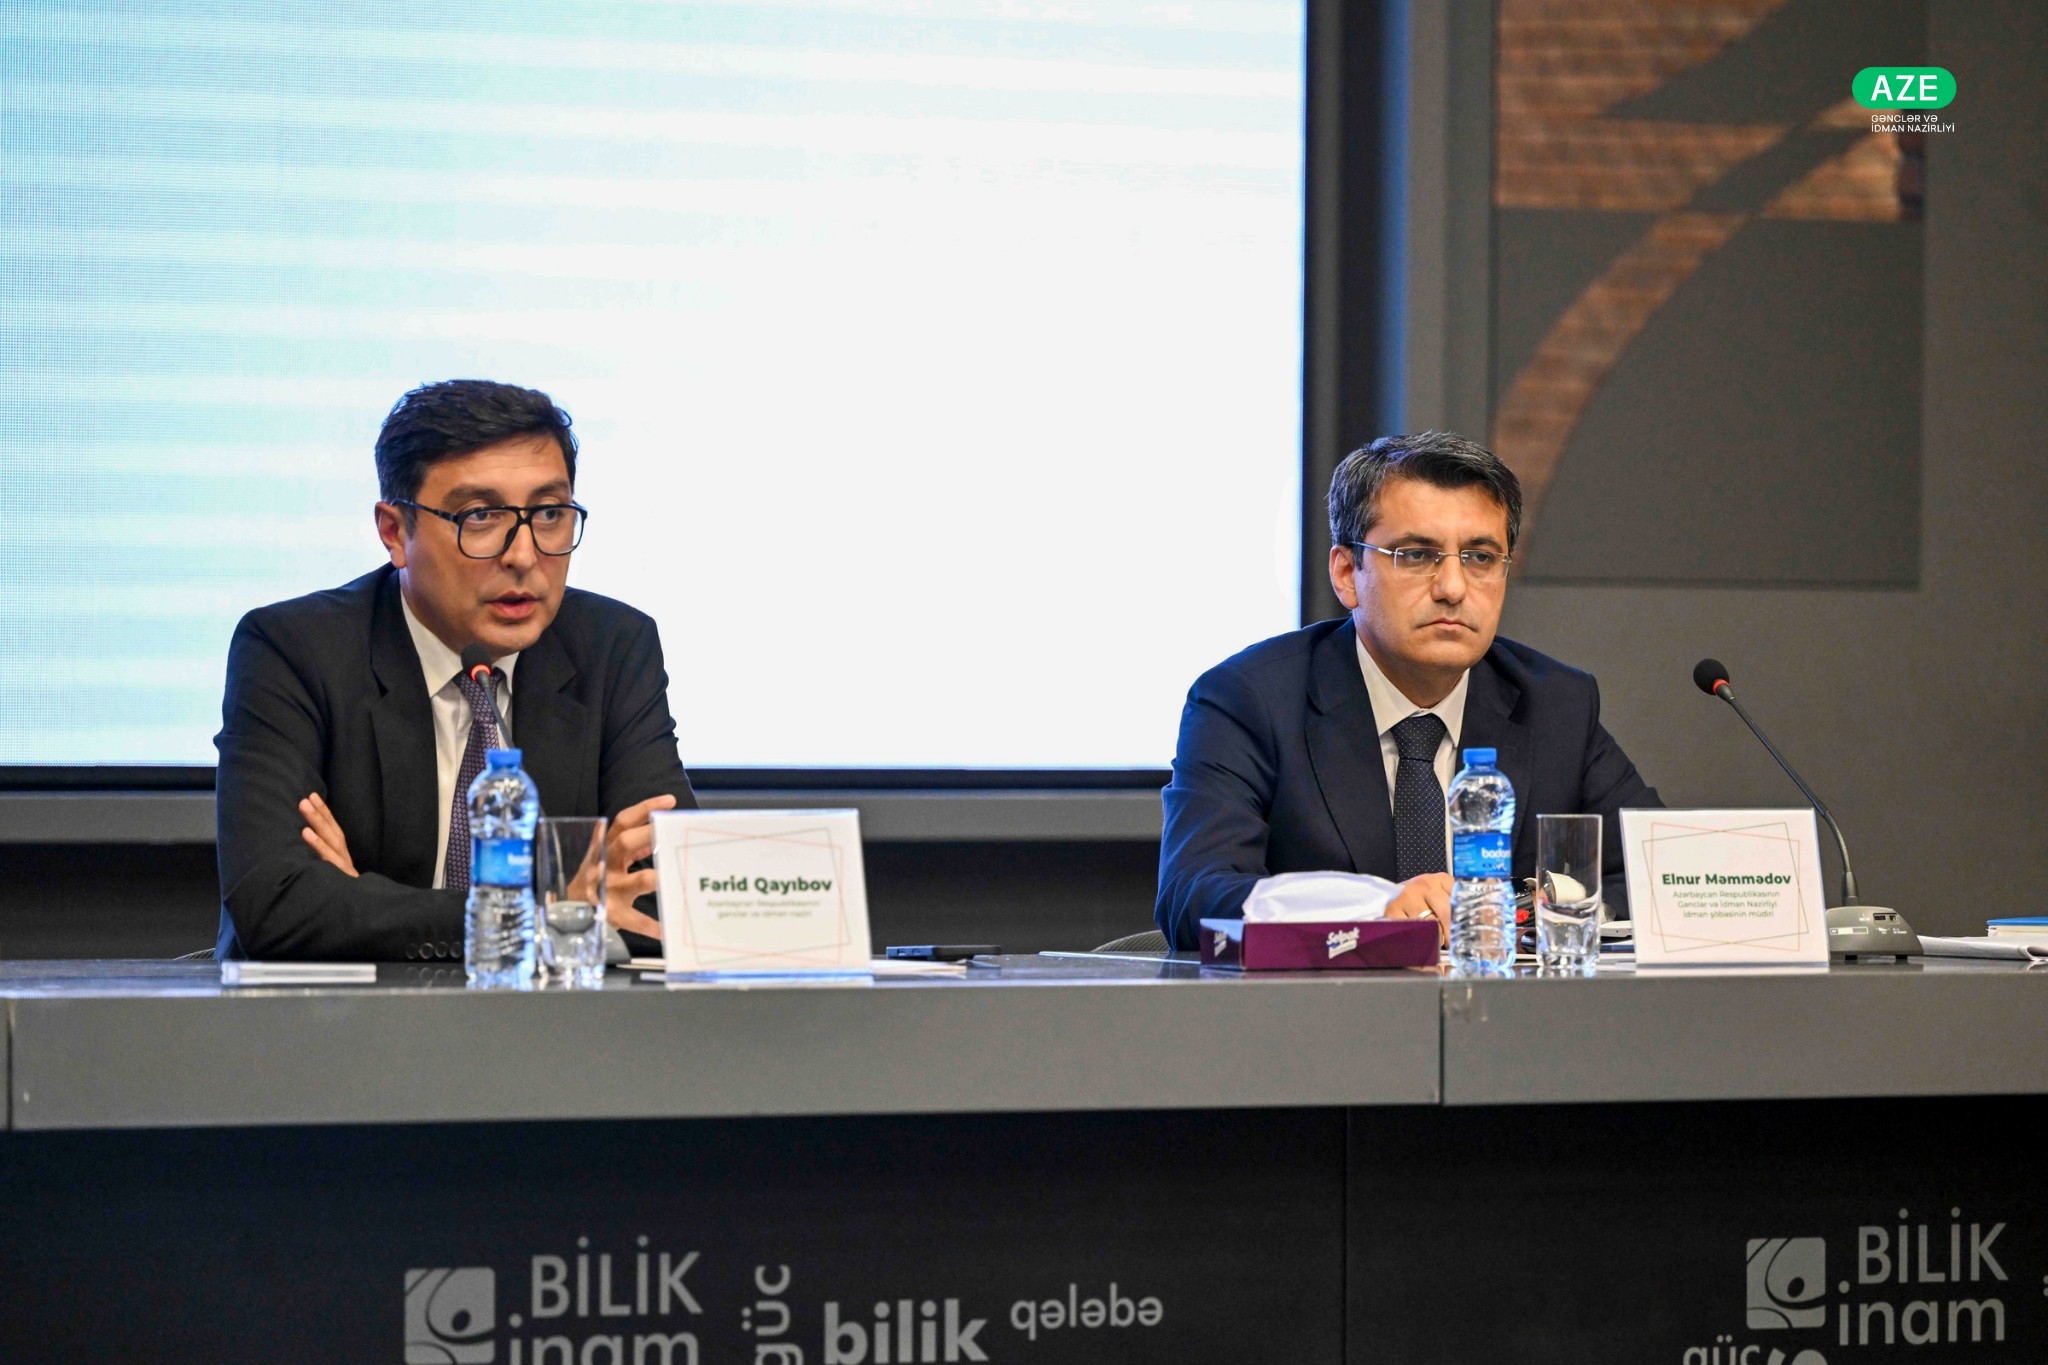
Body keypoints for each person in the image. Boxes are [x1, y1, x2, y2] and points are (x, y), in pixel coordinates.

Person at [213, 379, 696, 960]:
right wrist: (552, 912)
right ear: (395, 532)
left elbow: (674, 893)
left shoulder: (613, 647)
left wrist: (364, 902)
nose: (523, 555)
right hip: (339, 1016)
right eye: (481, 516)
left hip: (553, 1017)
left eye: (549, 513)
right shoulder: (296, 651)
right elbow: (278, 905)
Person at [1155, 431, 1659, 951]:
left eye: (1480, 557)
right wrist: (1376, 909)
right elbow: (1194, 895)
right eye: (1417, 555)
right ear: (1347, 574)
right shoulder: (1249, 700)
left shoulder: (1556, 704)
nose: (1453, 588)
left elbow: (1660, 878)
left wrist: (1525, 906)